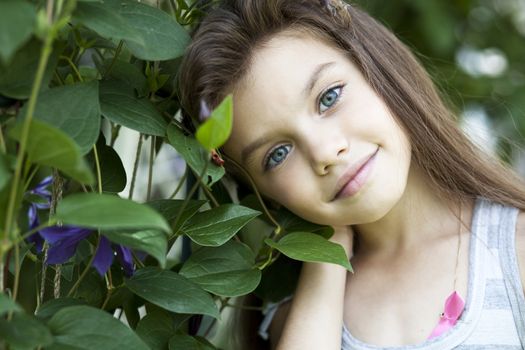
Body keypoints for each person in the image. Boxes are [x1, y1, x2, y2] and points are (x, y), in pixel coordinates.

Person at [177, 0, 525, 349]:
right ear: (264, 196)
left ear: (376, 66)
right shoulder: (299, 320)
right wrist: (327, 256)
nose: (326, 153)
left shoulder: (515, 252)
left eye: (329, 97)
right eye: (278, 154)